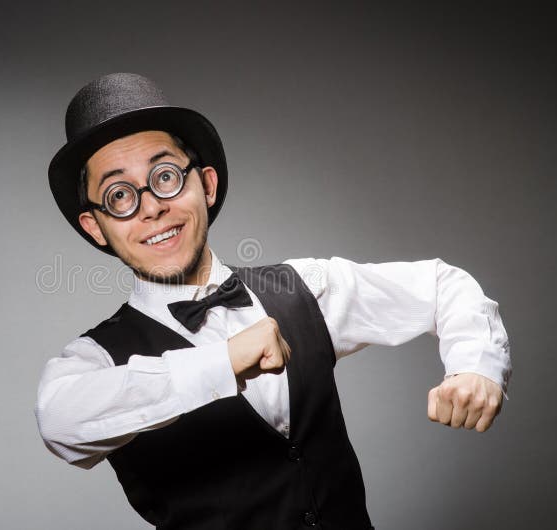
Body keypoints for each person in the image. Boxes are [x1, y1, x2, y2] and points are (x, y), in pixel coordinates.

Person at [35, 73, 511, 530]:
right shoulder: (94, 361)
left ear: (207, 184)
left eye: (165, 176)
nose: (152, 206)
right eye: (119, 195)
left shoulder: (304, 286)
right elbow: (60, 421)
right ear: (95, 227)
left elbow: (440, 284)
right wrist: (223, 362)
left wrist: (475, 365)